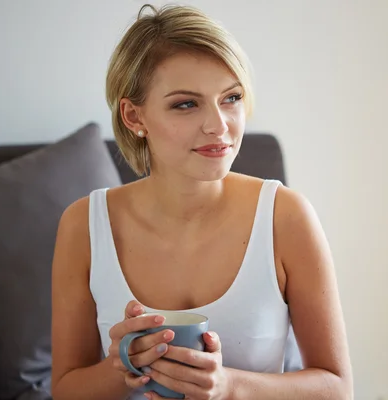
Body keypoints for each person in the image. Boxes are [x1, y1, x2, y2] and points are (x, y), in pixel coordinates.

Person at [50, 4, 352, 399]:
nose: (219, 125)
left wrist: (229, 387)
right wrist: (122, 366)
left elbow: (337, 389)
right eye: (186, 104)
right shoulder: (83, 225)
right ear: (133, 116)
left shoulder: (286, 216)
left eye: (231, 98)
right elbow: (65, 389)